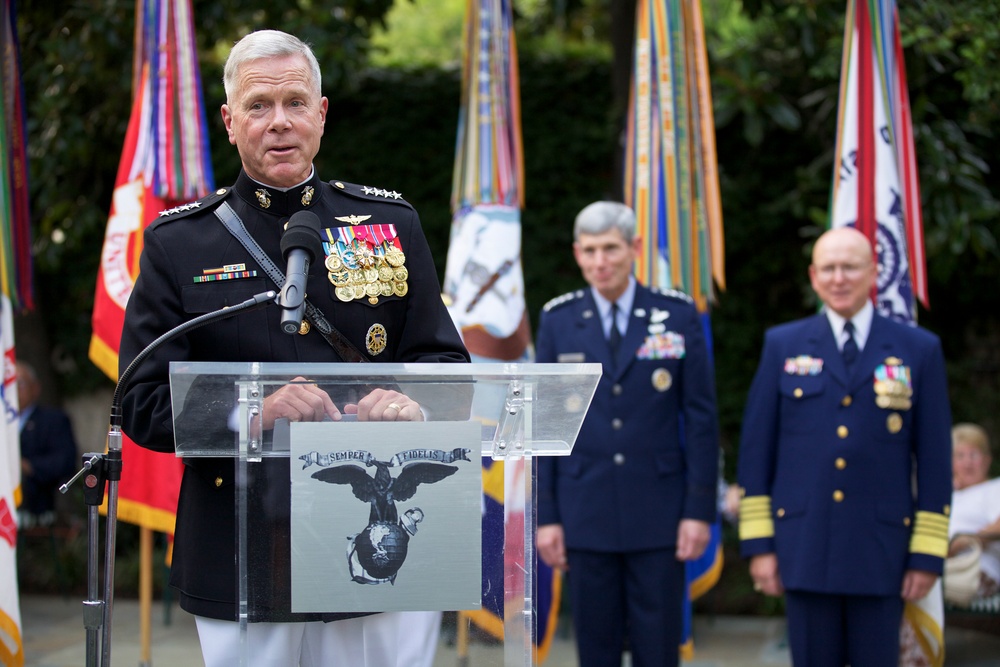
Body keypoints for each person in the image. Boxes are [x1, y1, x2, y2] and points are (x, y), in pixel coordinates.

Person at [118, 30, 469, 666]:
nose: (279, 122)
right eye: (258, 106)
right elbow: (140, 401)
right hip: (239, 543)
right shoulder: (180, 245)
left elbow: (446, 367)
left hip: (376, 531)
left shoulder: (390, 226)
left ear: (322, 113)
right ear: (229, 121)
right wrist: (251, 416)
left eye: (295, 102)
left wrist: (410, 407)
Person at [737, 226, 952, 666]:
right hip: (804, 545)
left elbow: (934, 460)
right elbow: (756, 452)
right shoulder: (783, 345)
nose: (839, 278)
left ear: (872, 273)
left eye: (850, 267)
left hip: (882, 551)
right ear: (814, 277)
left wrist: (927, 553)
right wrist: (760, 546)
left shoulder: (918, 349)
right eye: (829, 268)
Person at [534, 201, 720, 667]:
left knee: (658, 649)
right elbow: (547, 424)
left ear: (635, 248)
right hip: (585, 513)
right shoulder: (559, 320)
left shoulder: (676, 315)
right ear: (577, 253)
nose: (601, 262)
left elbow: (700, 419)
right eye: (591, 250)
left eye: (611, 249)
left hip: (660, 513)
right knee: (596, 649)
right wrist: (548, 516)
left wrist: (699, 509)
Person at [17, 361, 78, 528]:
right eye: (7, 383)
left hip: (37, 508)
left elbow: (65, 461)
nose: (13, 390)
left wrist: (27, 466)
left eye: (20, 383)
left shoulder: (52, 421)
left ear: (35, 388)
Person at [948, 422, 1000, 599]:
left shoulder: (994, 488)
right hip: (940, 565)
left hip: (973, 570)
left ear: (987, 460)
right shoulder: (948, 494)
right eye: (960, 456)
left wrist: (963, 542)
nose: (967, 462)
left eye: (974, 455)